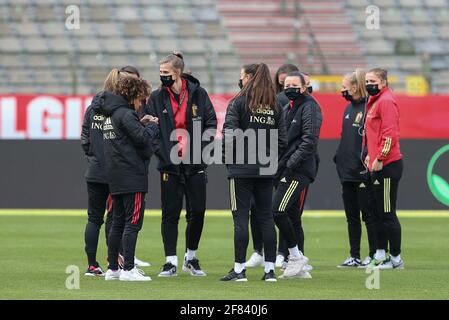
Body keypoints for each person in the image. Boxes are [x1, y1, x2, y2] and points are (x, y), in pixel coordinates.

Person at [148, 51, 217, 277]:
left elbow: (211, 122)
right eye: (160, 73)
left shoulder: (198, 94)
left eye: (165, 73)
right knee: (170, 213)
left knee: (197, 211)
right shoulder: (156, 98)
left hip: (195, 163)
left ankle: (191, 257)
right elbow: (151, 129)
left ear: (178, 73)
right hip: (169, 165)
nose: (162, 76)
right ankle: (170, 261)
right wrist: (164, 155)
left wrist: (198, 151)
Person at [81, 66, 150, 277]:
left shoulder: (95, 109)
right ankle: (123, 264)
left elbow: (85, 140)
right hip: (118, 172)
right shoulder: (122, 112)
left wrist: (95, 158)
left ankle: (96, 265)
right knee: (120, 220)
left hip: (96, 170)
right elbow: (136, 141)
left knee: (95, 218)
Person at [221, 63, 287, 282]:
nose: (240, 80)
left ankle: (239, 270)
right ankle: (269, 271)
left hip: (241, 169)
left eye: (242, 77)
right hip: (266, 169)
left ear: (248, 78)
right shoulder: (275, 106)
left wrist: (229, 162)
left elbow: (230, 134)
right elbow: (282, 140)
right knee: (266, 218)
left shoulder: (238, 102)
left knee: (240, 219)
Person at [98, 69, 159, 281]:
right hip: (132, 176)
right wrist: (151, 126)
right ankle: (128, 269)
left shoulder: (111, 115)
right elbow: (143, 141)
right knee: (132, 223)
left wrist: (140, 123)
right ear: (133, 96)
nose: (141, 102)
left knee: (116, 222)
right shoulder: (126, 114)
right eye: (140, 98)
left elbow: (125, 137)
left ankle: (113, 268)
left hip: (115, 176)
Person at [273, 71, 322, 279]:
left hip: (298, 170)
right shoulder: (287, 108)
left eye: (294, 85)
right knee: (292, 216)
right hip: (286, 168)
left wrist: (289, 165)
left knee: (278, 211)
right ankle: (299, 265)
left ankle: (295, 257)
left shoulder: (310, 107)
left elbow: (309, 141)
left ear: (303, 87)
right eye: (286, 85)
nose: (289, 88)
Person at [335, 68, 377, 268]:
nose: (341, 90)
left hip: (361, 172)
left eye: (344, 87)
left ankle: (373, 254)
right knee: (351, 217)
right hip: (346, 172)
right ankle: (354, 255)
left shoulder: (369, 107)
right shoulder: (348, 109)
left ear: (354, 87)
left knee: (368, 216)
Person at [364, 68, 404, 270]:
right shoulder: (376, 101)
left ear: (383, 82)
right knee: (378, 211)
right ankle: (381, 254)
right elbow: (375, 133)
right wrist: (371, 154)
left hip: (387, 165)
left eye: (372, 80)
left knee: (387, 212)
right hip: (377, 163)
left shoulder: (386, 101)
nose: (368, 84)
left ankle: (396, 258)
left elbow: (390, 134)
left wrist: (380, 157)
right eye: (366, 80)